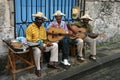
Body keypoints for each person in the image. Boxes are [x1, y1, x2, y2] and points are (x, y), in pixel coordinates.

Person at [26, 12, 60, 77]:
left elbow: (44, 40)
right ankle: (38, 69)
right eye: (38, 19)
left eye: (41, 20)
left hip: (42, 45)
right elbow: (28, 41)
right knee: (38, 51)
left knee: (55, 45)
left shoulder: (43, 28)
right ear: (35, 19)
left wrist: (47, 43)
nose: (40, 21)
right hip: (33, 46)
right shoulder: (30, 27)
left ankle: (51, 63)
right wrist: (39, 45)